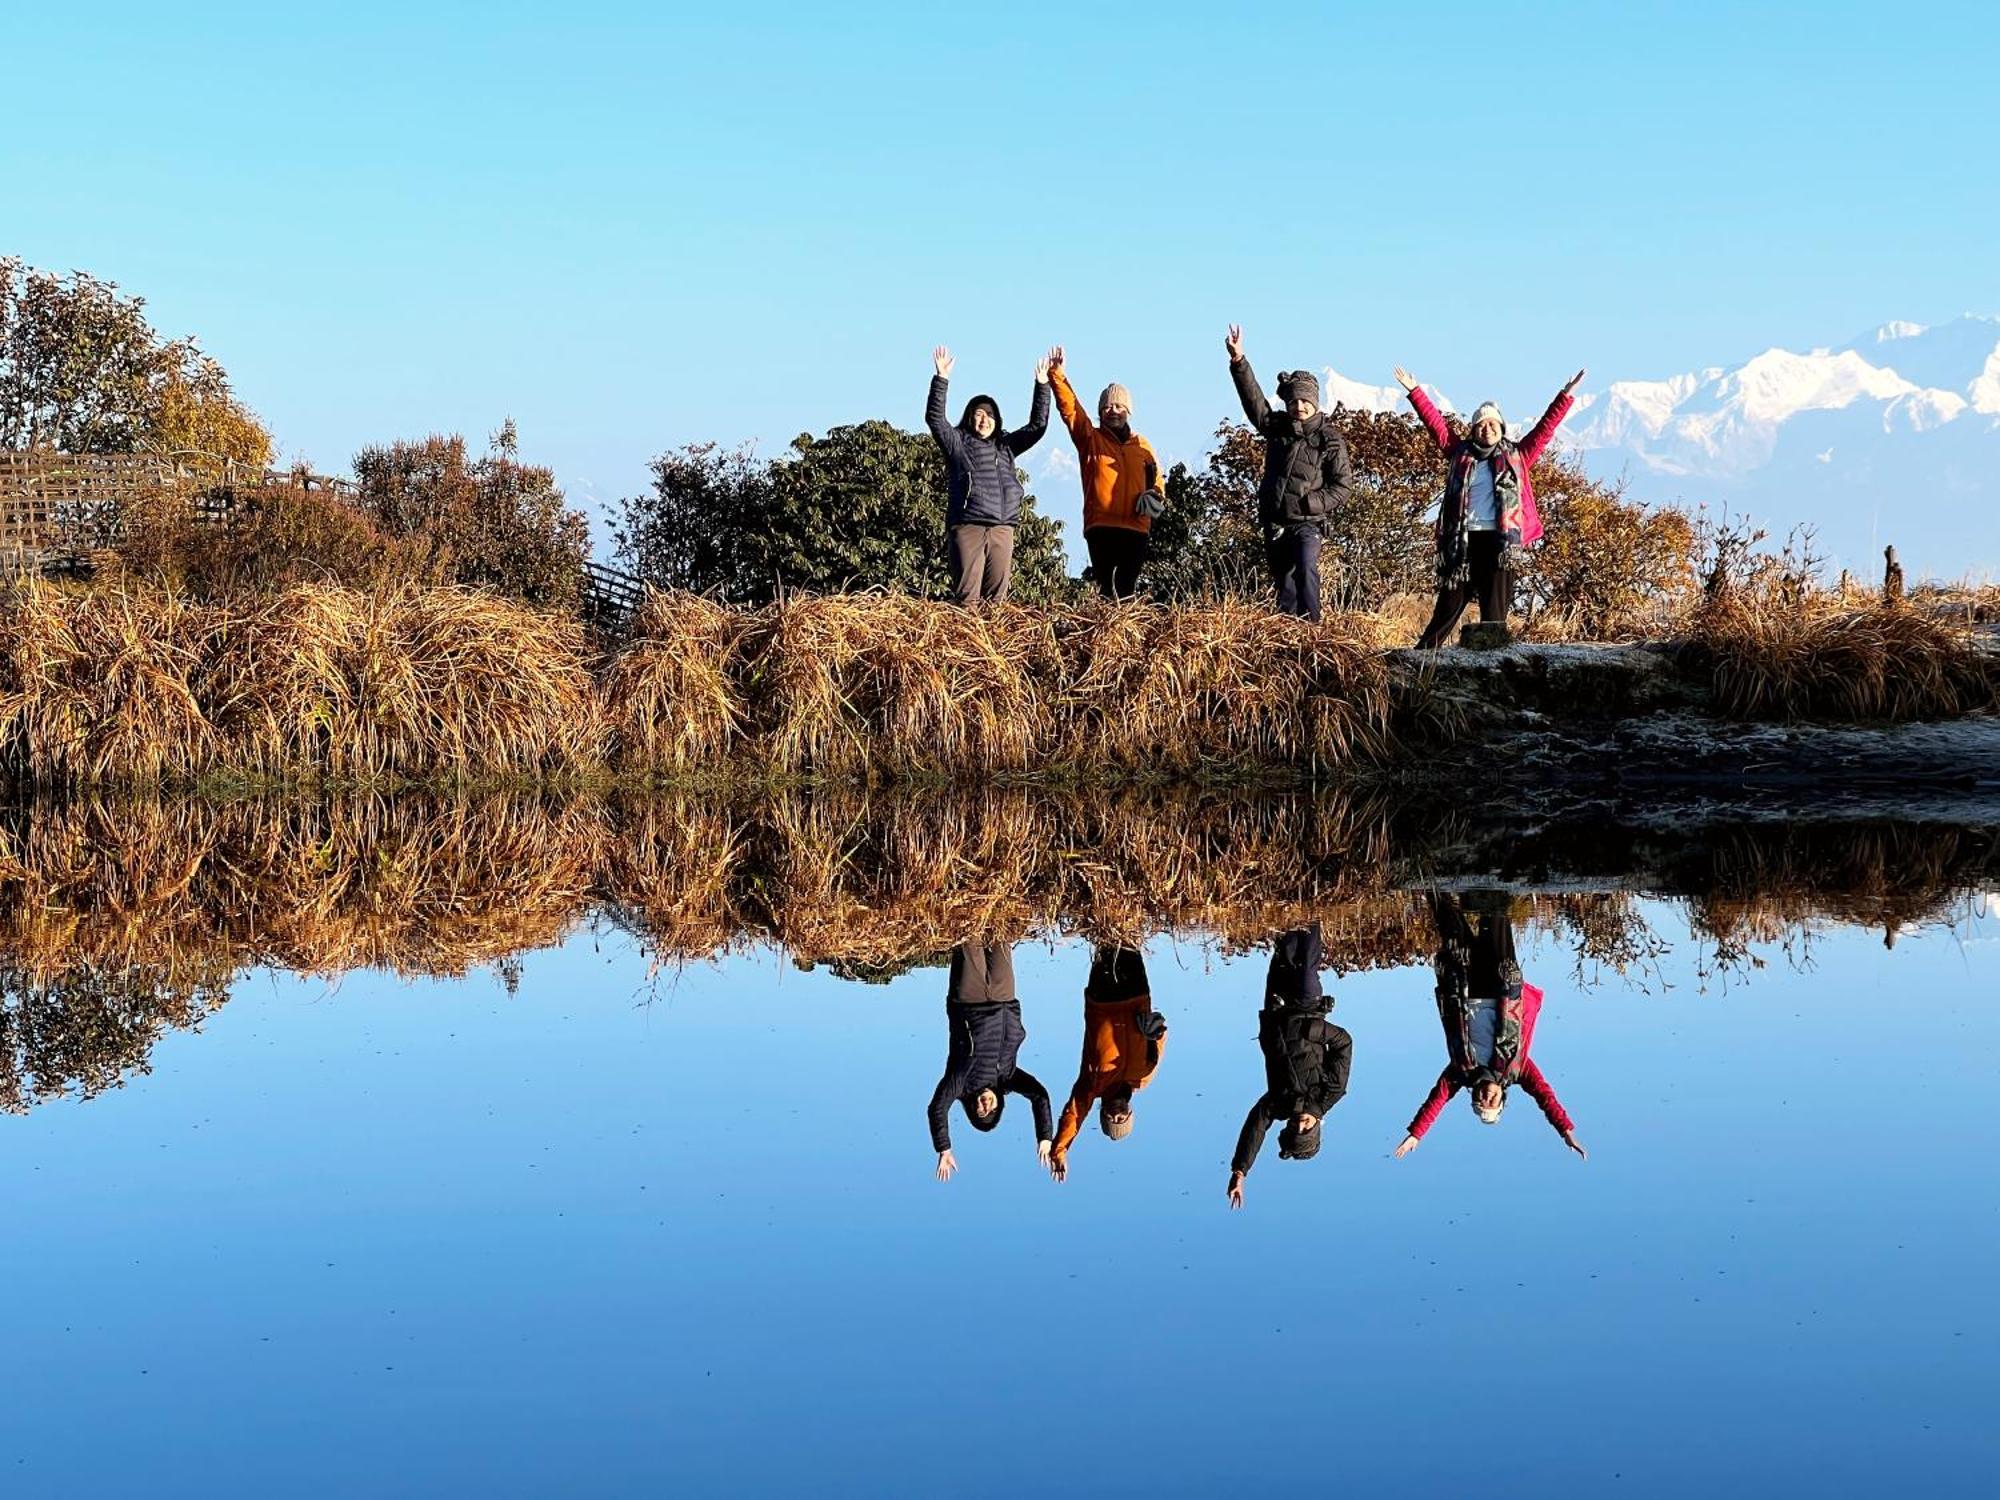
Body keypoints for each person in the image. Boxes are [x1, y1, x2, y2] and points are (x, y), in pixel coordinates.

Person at [1392, 364, 1586, 648]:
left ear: (1502, 428)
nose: (1486, 429)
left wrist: (1565, 396)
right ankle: (1422, 656)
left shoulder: (1517, 456)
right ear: (1472, 430)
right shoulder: (1460, 454)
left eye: (1492, 424)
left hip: (1500, 541)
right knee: (1448, 606)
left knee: (1494, 612)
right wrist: (1414, 391)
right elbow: (1438, 426)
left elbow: (1545, 428)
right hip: (1462, 540)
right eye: (1481, 425)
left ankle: (1490, 661)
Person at [1391, 892, 1586, 1160]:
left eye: (1480, 1102)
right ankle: (1493, 871)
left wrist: (1416, 1134)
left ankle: (1433, 875)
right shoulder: (1517, 1069)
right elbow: (1544, 1096)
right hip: (1501, 987)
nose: (1486, 1098)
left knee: (1448, 920)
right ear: (1502, 1098)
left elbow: (1437, 1100)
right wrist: (1565, 1130)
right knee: (1495, 916)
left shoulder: (1461, 1071)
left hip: (1463, 987)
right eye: (1492, 1103)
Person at [1225, 325, 1354, 621]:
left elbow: (1343, 486)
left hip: (1308, 523)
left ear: (1315, 403)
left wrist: (1313, 503)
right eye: (1294, 401)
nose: (1299, 406)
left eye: (1305, 401)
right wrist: (1238, 361)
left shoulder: (1329, 438)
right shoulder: (1278, 428)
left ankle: (1315, 630)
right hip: (1276, 520)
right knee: (1284, 584)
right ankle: (1289, 636)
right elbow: (1254, 402)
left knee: (1306, 567)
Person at [1227, 924, 1351, 1209]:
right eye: (1305, 1125)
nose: (1300, 1121)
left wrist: (1240, 1170)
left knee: (1284, 949)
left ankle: (1289, 902)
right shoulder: (1331, 1092)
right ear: (1317, 1126)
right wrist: (1315, 1029)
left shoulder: (1278, 1104)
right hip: (1307, 1008)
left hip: (1276, 1012)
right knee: (1307, 961)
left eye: (1294, 1126)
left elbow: (1255, 1128)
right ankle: (1314, 905)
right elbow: (1344, 1043)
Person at [926, 345, 1051, 605]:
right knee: (967, 600)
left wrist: (1042, 385)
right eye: (979, 414)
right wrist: (942, 379)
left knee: (997, 602)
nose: (985, 419)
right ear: (970, 417)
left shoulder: (1006, 445)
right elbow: (936, 420)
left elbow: (1037, 427)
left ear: (998, 420)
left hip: (1003, 527)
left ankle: (992, 645)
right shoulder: (957, 442)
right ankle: (965, 644)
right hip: (969, 525)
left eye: (990, 414)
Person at [1046, 344, 1165, 600]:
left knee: (1127, 589)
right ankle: (1105, 637)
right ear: (1100, 412)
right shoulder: (1090, 439)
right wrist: (1057, 375)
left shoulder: (1142, 444)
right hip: (1102, 525)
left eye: (1119, 407)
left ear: (1128, 411)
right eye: (1108, 407)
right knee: (1107, 590)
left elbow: (1157, 478)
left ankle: (1124, 638)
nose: (1113, 411)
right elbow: (1071, 411)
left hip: (1137, 527)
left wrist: (1155, 495)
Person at [928, 939, 1054, 1180]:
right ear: (998, 1106)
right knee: (1001, 934)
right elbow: (1039, 1096)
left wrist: (944, 1148)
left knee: (970, 934)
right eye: (991, 1111)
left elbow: (937, 1108)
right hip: (1004, 999)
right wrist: (1045, 1138)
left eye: (980, 1111)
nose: (986, 1107)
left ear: (972, 1108)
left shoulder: (961, 1083)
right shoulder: (1007, 1078)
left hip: (969, 1000)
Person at [1048, 944, 1168, 1182]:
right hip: (1137, 996)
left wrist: (1060, 1149)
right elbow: (1161, 1038)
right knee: (1128, 934)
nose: (1116, 1116)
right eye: (1121, 1120)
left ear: (1102, 1112)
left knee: (1105, 936)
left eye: (1110, 1119)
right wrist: (1156, 1030)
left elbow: (1074, 1114)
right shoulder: (1143, 1077)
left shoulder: (1093, 1085)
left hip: (1102, 1001)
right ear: (1130, 1113)